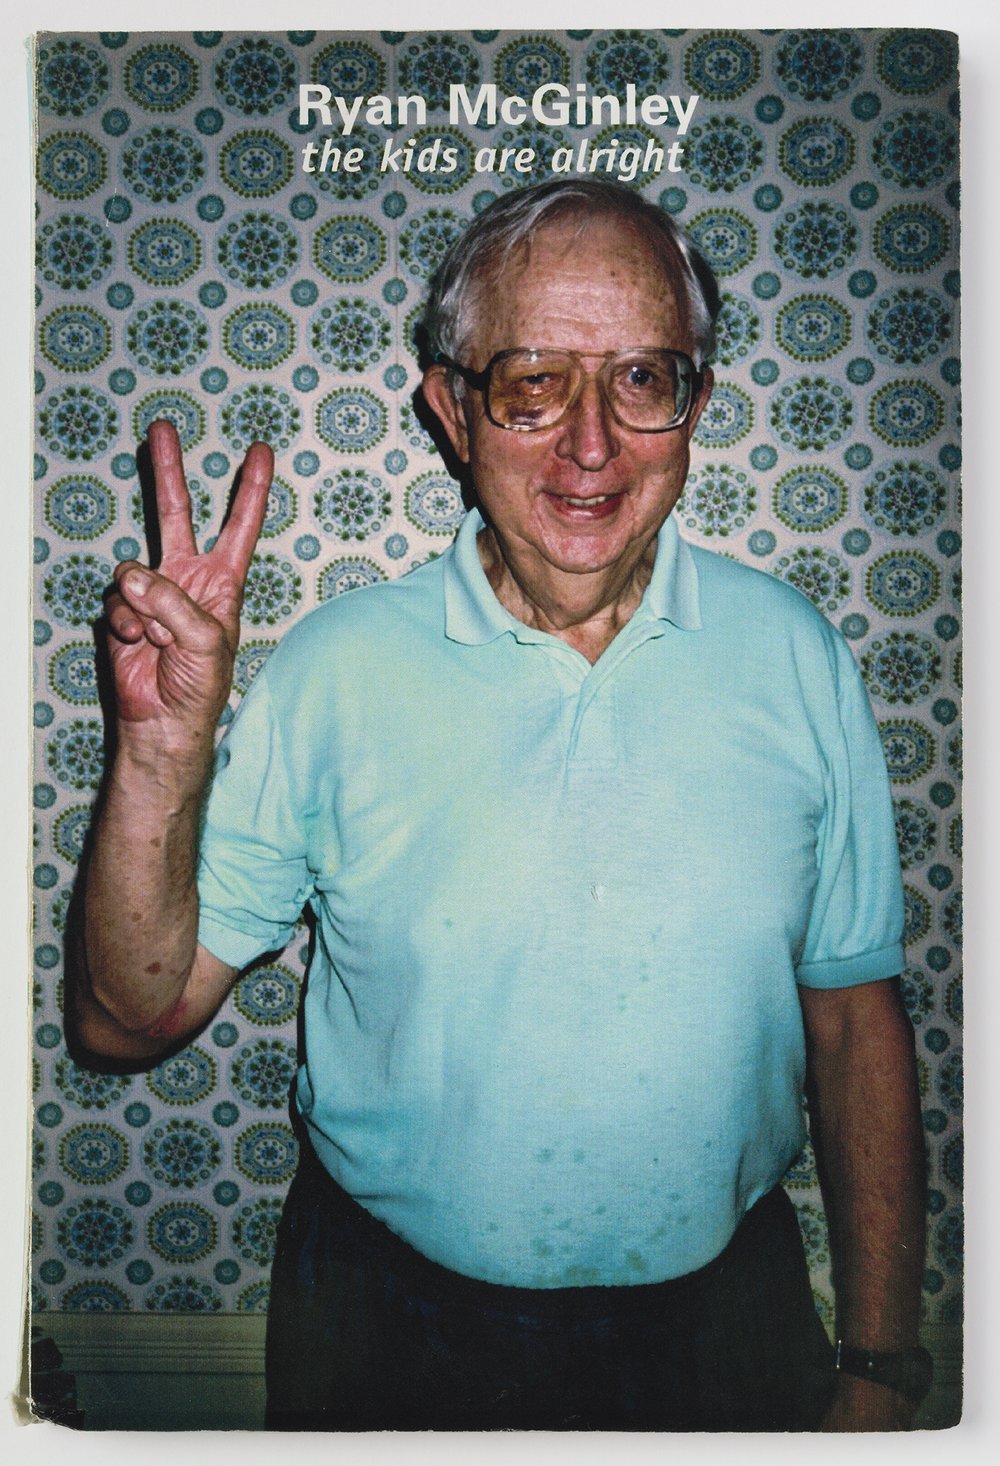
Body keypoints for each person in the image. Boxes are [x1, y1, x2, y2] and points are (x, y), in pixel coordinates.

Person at [73, 179, 927, 1432]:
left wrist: (882, 1364)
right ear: (451, 409)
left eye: (643, 377)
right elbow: (125, 1019)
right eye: (531, 380)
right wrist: (159, 749)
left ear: (694, 406)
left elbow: (856, 1021)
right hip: (384, 1324)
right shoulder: (336, 669)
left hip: (724, 1329)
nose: (591, 443)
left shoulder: (796, 654)